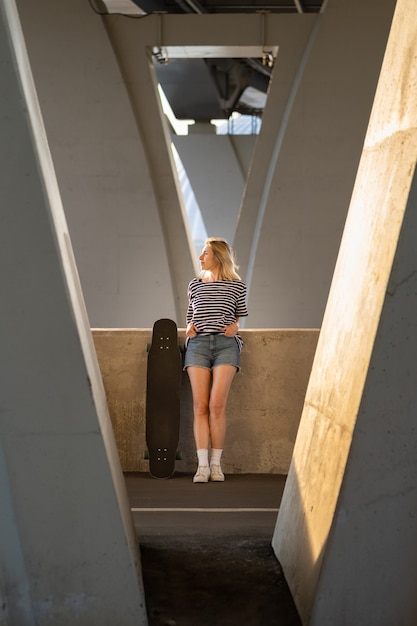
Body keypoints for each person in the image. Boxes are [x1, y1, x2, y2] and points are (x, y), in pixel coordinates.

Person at [184, 237, 248, 483]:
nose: (201, 258)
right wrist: (189, 328)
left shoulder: (237, 286)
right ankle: (202, 467)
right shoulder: (195, 284)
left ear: (218, 256)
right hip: (198, 345)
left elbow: (238, 317)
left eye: (205, 253)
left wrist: (234, 326)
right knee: (200, 406)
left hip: (225, 345)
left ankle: (216, 465)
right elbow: (190, 317)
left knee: (216, 406)